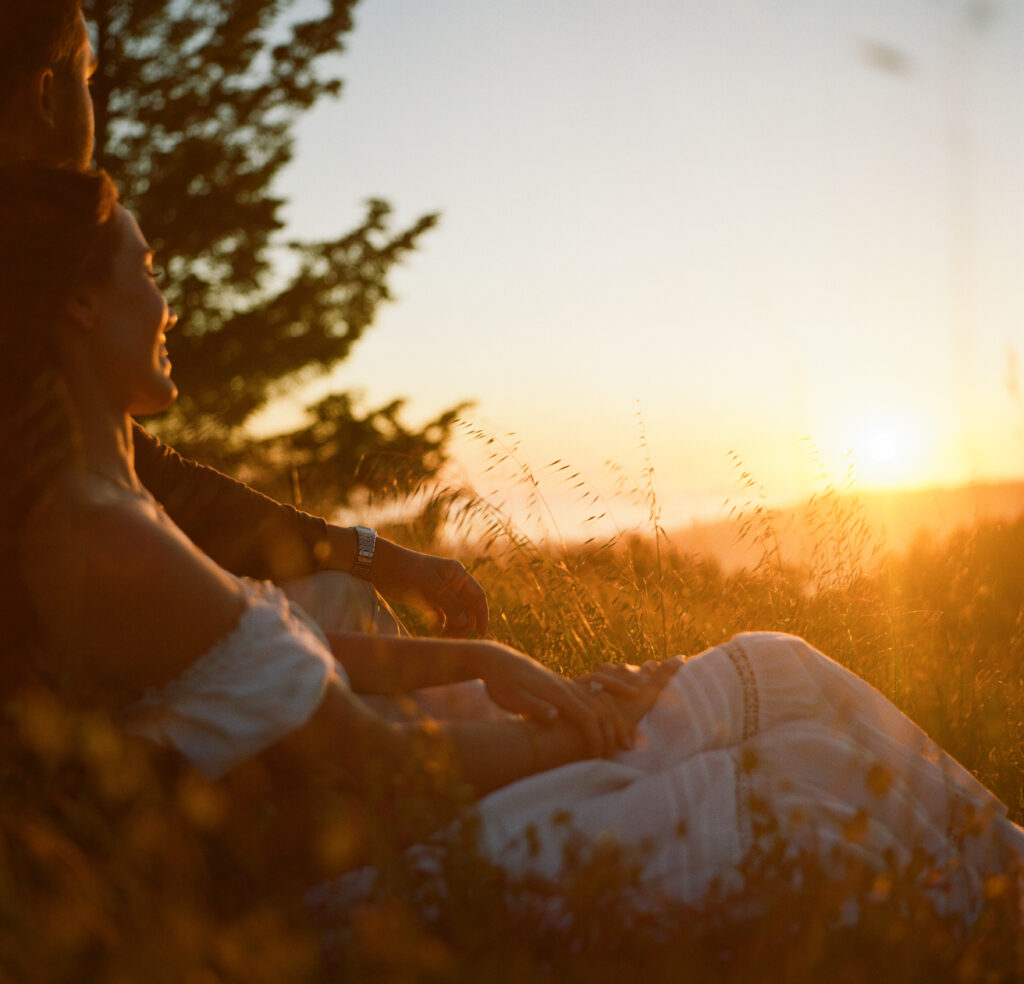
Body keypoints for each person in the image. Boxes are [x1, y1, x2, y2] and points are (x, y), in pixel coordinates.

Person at [4, 163, 1023, 923]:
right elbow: (382, 767)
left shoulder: (115, 500)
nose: (167, 301)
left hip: (384, 822)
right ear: (82, 303)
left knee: (774, 660)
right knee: (804, 782)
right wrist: (580, 730)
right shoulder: (101, 535)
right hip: (358, 889)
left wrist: (490, 658)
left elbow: (276, 658)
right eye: (146, 268)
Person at [0, 0, 489, 657]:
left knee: (335, 599)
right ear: (46, 96)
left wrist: (375, 558)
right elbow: (166, 496)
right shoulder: (27, 286)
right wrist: (478, 664)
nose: (167, 309)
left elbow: (163, 483)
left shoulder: (27, 272)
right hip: (66, 725)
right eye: (88, 79)